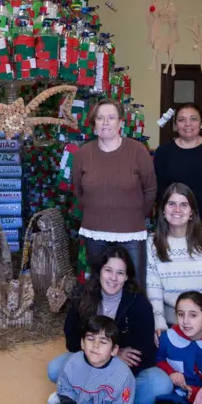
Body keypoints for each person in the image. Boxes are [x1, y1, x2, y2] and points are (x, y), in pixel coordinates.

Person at [49, 245, 171, 404]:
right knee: (54, 369)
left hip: (123, 375)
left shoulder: (139, 304)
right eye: (108, 270)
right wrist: (111, 354)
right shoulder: (83, 296)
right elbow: (72, 340)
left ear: (127, 276)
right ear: (99, 271)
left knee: (161, 384)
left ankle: (81, 399)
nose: (113, 278)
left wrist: (115, 363)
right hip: (89, 364)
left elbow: (146, 354)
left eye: (120, 273)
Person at [72, 99, 157, 279]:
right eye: (100, 118)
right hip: (95, 233)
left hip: (131, 233)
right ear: (94, 124)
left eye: (111, 118)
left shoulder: (138, 151)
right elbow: (78, 191)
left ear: (120, 123)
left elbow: (150, 190)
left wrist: (133, 215)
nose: (105, 123)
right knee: (99, 284)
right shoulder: (82, 154)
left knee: (135, 283)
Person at [146, 183, 202, 337]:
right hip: (171, 325)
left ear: (192, 212)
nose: (177, 210)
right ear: (163, 211)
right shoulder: (152, 243)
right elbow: (153, 288)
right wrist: (158, 322)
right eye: (171, 204)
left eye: (184, 205)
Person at [154, 104, 202, 234]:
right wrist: (178, 218)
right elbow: (160, 190)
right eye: (181, 120)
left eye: (193, 119)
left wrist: (199, 221)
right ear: (175, 125)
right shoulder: (164, 151)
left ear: (201, 124)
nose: (187, 124)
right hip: (175, 220)